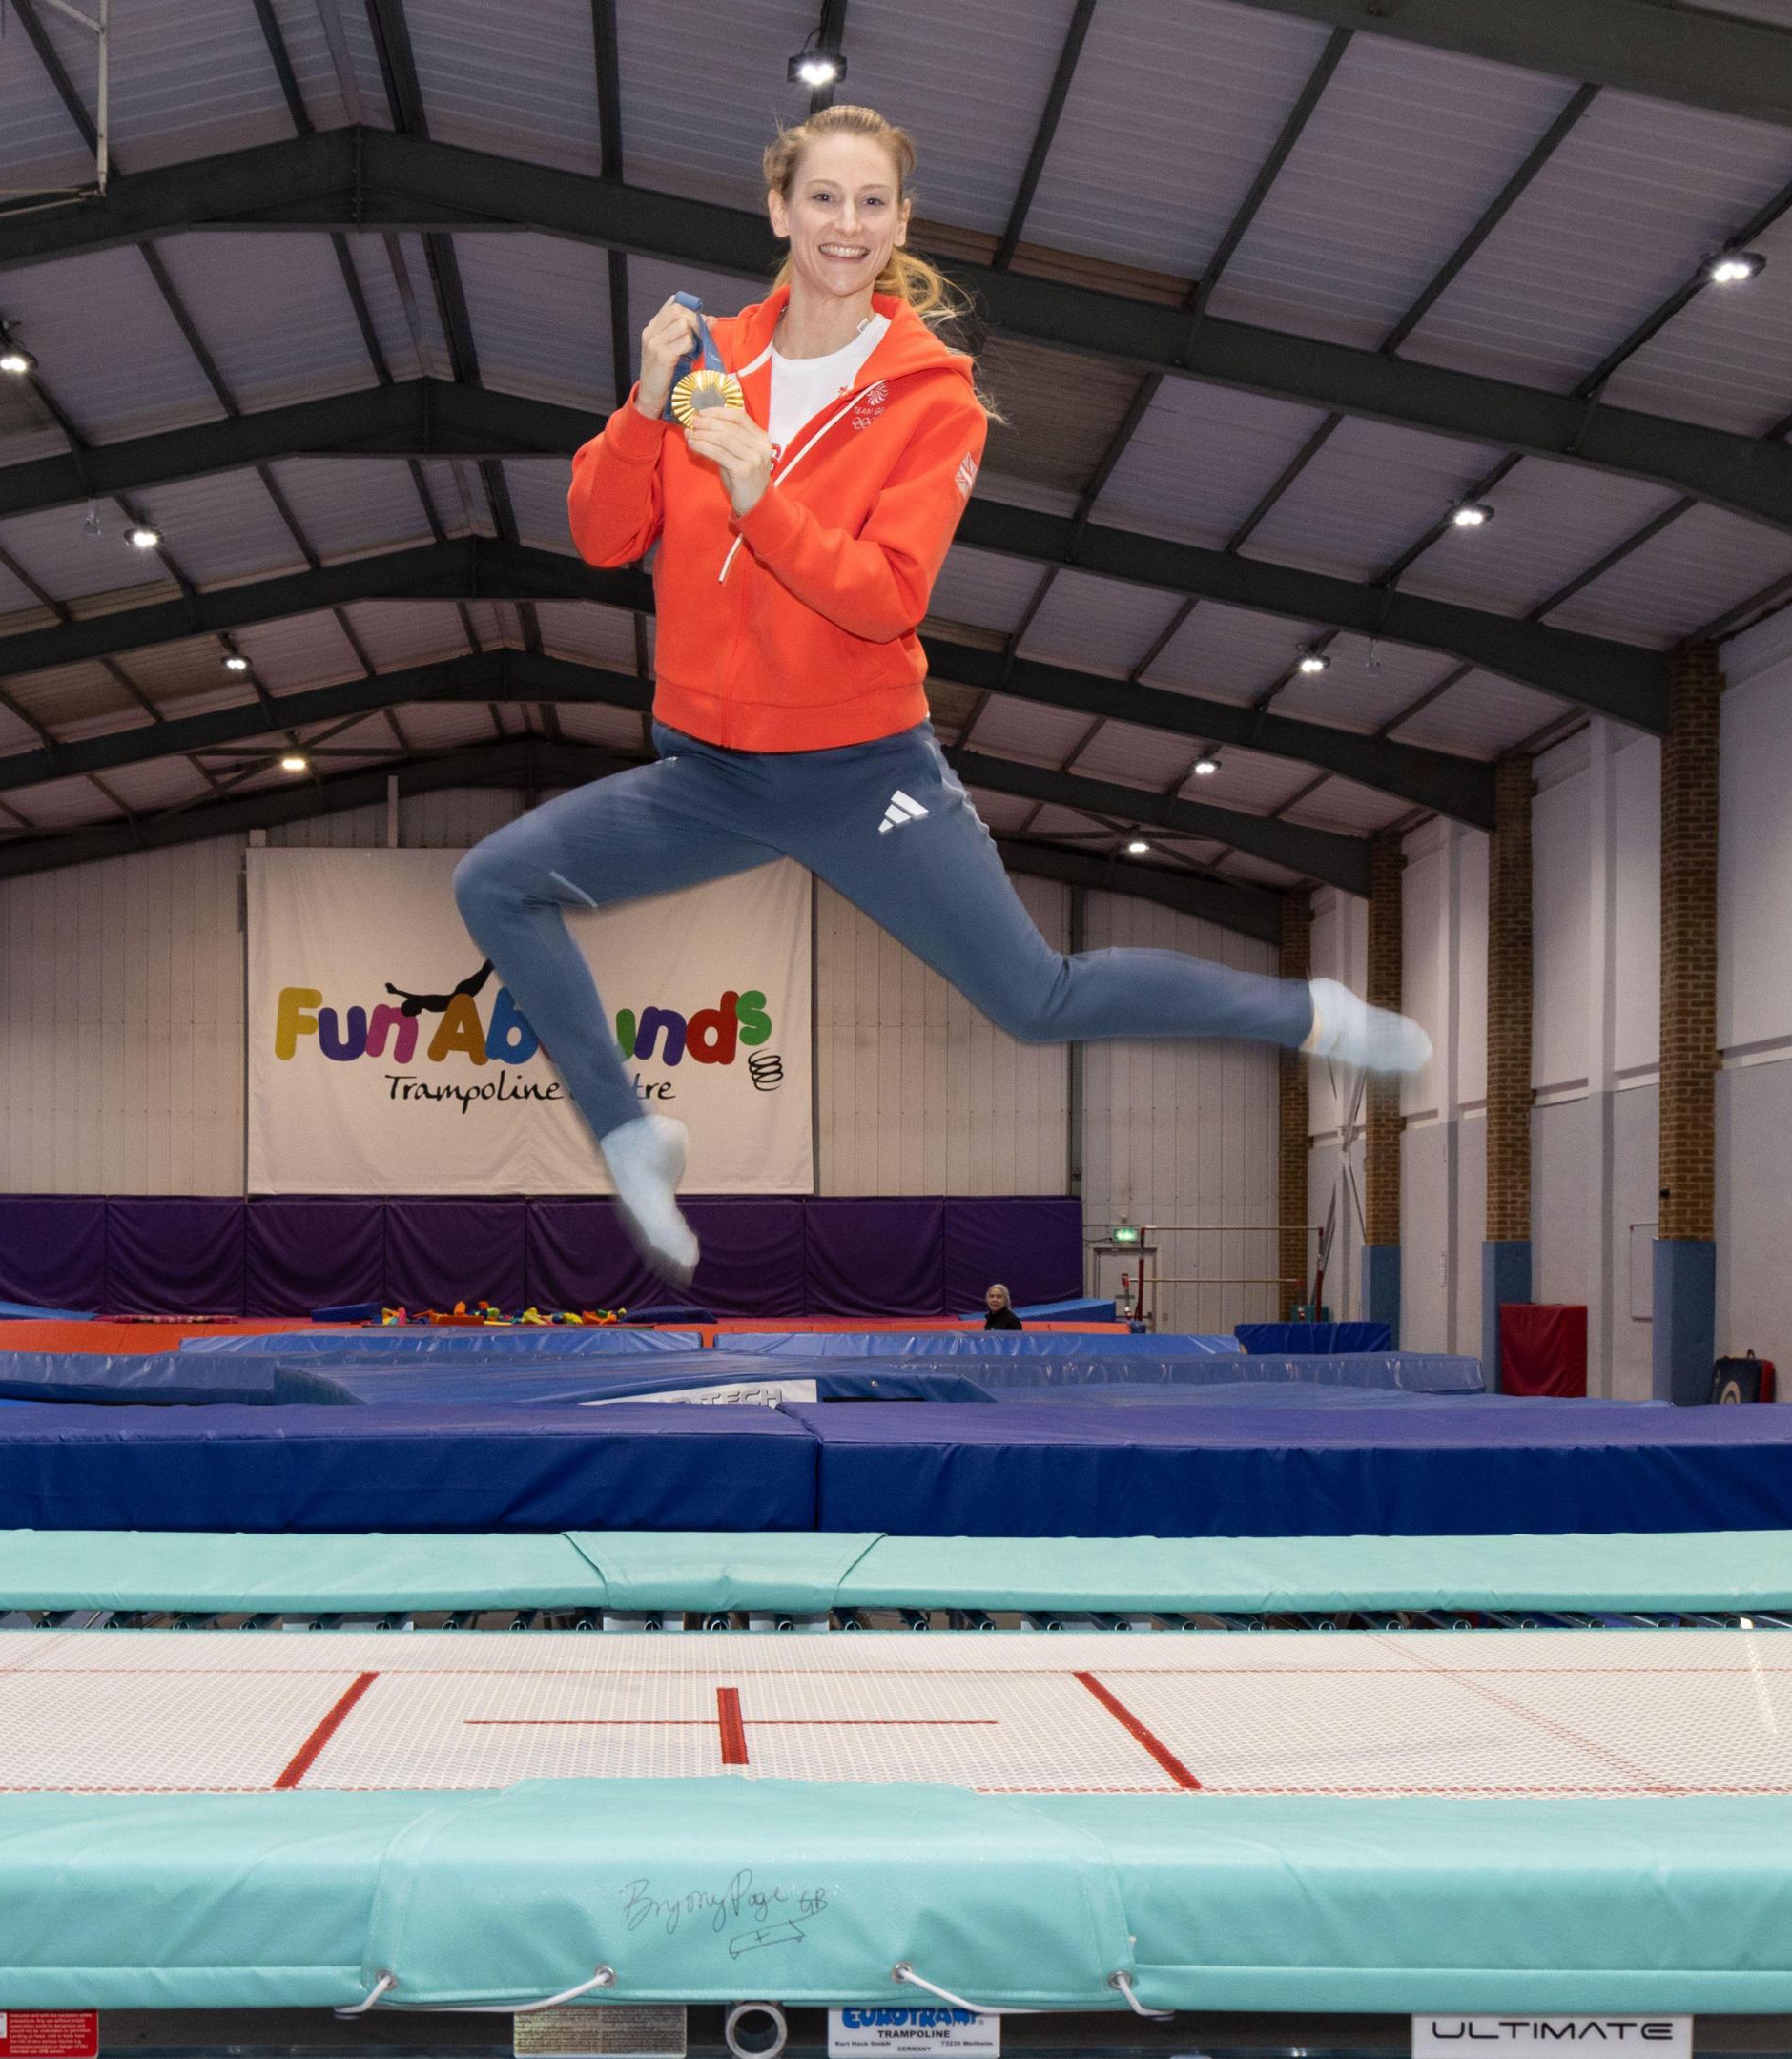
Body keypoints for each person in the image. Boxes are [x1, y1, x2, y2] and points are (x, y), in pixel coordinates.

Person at [453, 104, 1431, 1285]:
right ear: (779, 209)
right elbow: (606, 537)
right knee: (497, 881)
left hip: (865, 771)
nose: (846, 224)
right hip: (709, 768)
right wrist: (644, 399)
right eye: (823, 198)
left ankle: (1304, 1014)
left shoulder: (932, 399)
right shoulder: (710, 360)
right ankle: (629, 1132)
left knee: (1036, 999)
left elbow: (884, 597)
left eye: (872, 203)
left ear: (902, 221)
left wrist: (764, 496)